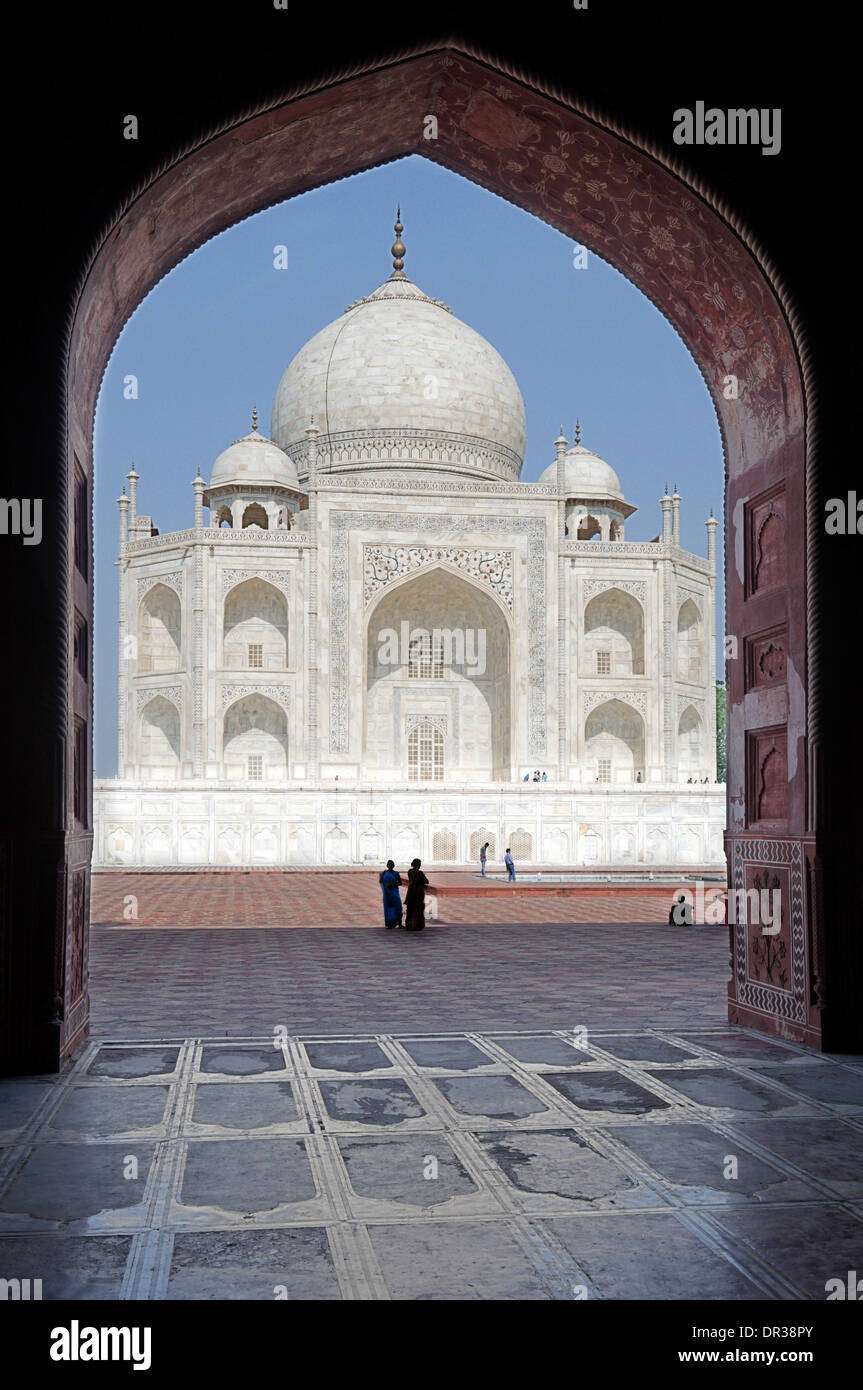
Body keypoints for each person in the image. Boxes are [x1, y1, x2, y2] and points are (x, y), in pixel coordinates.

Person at [404, 858, 429, 930]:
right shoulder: (420, 873)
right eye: (419, 864)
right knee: (418, 908)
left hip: (411, 891)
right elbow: (426, 881)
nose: (420, 865)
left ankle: (409, 925)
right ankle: (417, 925)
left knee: (411, 908)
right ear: (418, 865)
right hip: (418, 892)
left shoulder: (410, 871)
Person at [378, 859, 403, 929]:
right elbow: (380, 881)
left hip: (395, 893)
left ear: (394, 865)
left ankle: (400, 923)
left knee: (398, 907)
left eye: (392, 864)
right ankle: (390, 924)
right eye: (389, 864)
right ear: (387, 865)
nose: (390, 866)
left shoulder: (396, 873)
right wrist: (383, 875)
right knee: (388, 908)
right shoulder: (384, 873)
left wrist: (393, 884)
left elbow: (400, 883)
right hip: (387, 894)